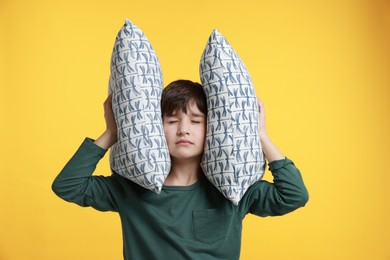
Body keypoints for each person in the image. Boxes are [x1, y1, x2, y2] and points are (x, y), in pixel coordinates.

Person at [52, 79, 309, 260]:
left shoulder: (234, 189)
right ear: (155, 128)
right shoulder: (130, 188)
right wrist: (112, 132)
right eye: (172, 121)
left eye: (196, 121)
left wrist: (260, 133)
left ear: (213, 128)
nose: (183, 129)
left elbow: (294, 196)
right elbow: (68, 185)